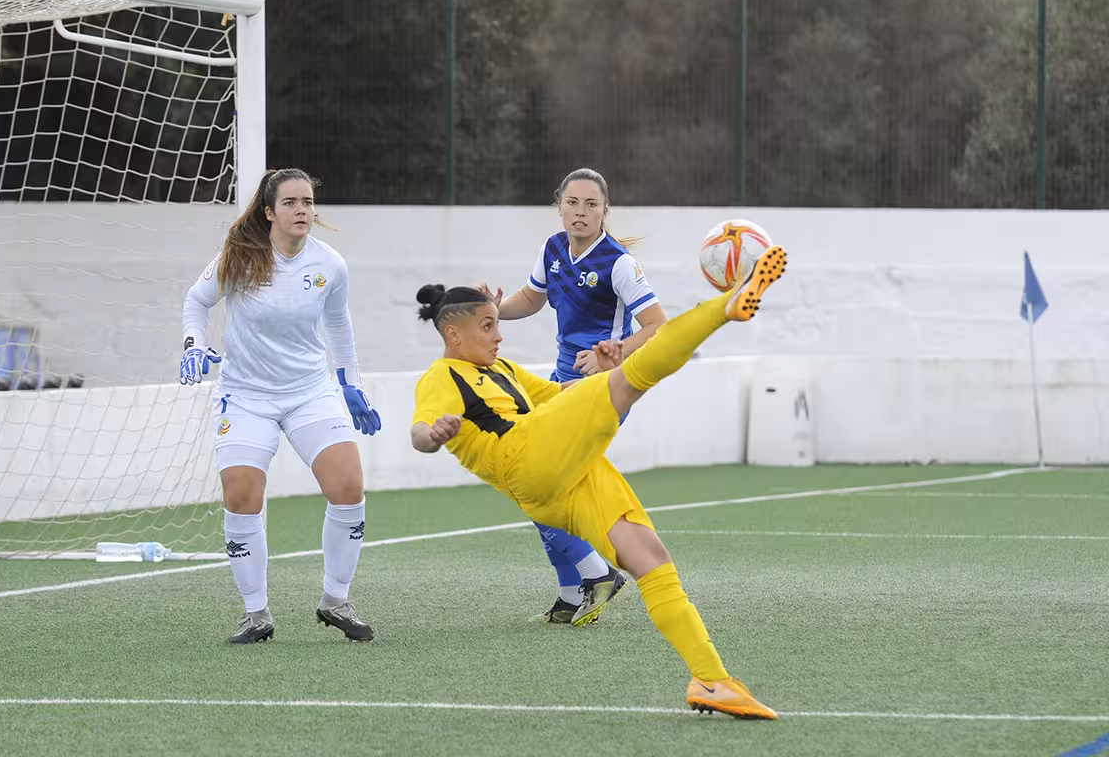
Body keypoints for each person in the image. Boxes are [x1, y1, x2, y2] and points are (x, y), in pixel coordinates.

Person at [409, 243, 787, 718]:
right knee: (633, 378)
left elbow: (559, 396)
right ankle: (726, 306)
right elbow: (420, 432)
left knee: (649, 557)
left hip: (558, 481)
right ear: (453, 334)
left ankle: (712, 680)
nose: (498, 336)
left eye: (498, 324)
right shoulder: (441, 375)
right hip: (525, 458)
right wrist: (434, 434)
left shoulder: (502, 369)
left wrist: (601, 376)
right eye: (488, 326)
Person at [181, 168, 382, 644]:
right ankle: (256, 615)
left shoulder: (330, 265)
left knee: (348, 487)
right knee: (242, 496)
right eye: (291, 203)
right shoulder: (240, 257)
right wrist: (192, 343)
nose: (302, 210)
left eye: (308, 202)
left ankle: (336, 601)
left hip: (310, 391)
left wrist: (350, 384)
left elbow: (339, 327)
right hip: (246, 396)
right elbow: (196, 300)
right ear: (270, 212)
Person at [481, 168, 668, 626]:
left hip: (603, 389)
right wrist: (493, 310)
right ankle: (572, 591)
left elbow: (658, 325)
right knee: (531, 483)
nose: (580, 212)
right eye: (573, 203)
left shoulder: (619, 263)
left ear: (605, 211)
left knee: (539, 481)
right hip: (559, 384)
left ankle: (595, 572)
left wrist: (615, 351)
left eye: (590, 205)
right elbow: (531, 297)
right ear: (559, 205)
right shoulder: (553, 248)